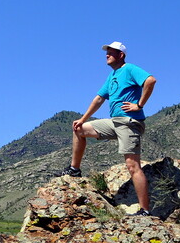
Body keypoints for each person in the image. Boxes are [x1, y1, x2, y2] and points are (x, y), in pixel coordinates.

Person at [61, 41, 157, 217]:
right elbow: (99, 99)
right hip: (115, 122)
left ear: (121, 55)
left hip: (129, 122)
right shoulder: (112, 76)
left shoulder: (129, 69)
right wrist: (82, 119)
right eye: (107, 52)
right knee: (79, 129)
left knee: (132, 165)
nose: (107, 55)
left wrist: (139, 104)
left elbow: (150, 80)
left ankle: (145, 211)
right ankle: (74, 169)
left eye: (111, 52)